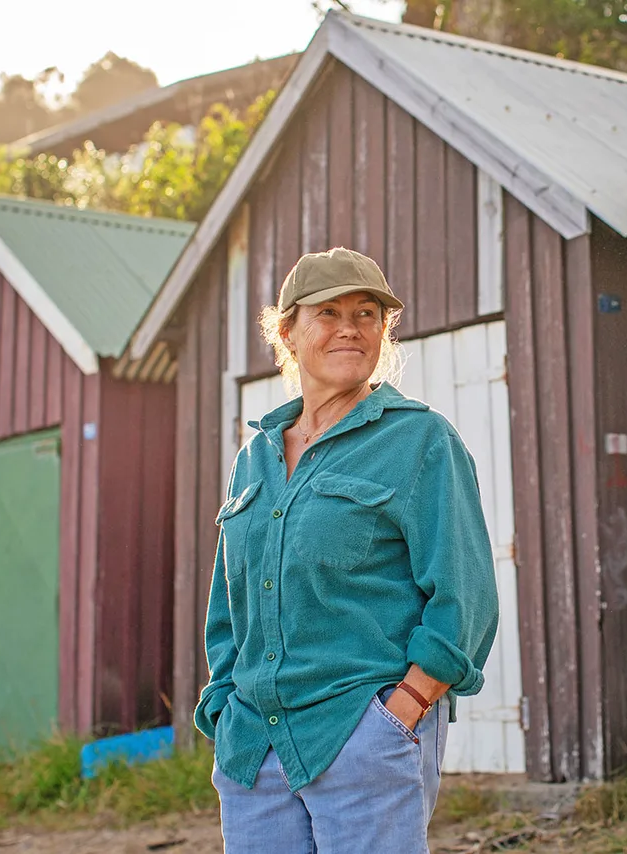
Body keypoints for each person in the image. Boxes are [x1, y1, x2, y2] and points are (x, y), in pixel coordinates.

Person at [195, 247, 500, 853]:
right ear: (287, 331)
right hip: (254, 748)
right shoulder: (254, 458)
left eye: (367, 314)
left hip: (359, 735)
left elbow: (464, 595)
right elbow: (231, 607)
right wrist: (224, 707)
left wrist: (402, 711)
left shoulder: (420, 440)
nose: (349, 328)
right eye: (328, 312)